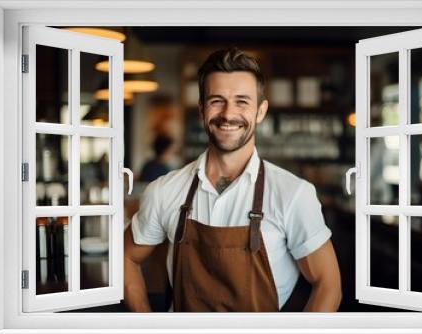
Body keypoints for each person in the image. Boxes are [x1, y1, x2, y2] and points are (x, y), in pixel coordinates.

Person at [124, 47, 342, 312]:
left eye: (242, 101)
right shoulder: (165, 191)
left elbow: (328, 285)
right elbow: (125, 258)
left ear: (260, 111)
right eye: (217, 100)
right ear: (202, 108)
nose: (228, 114)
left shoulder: (293, 194)